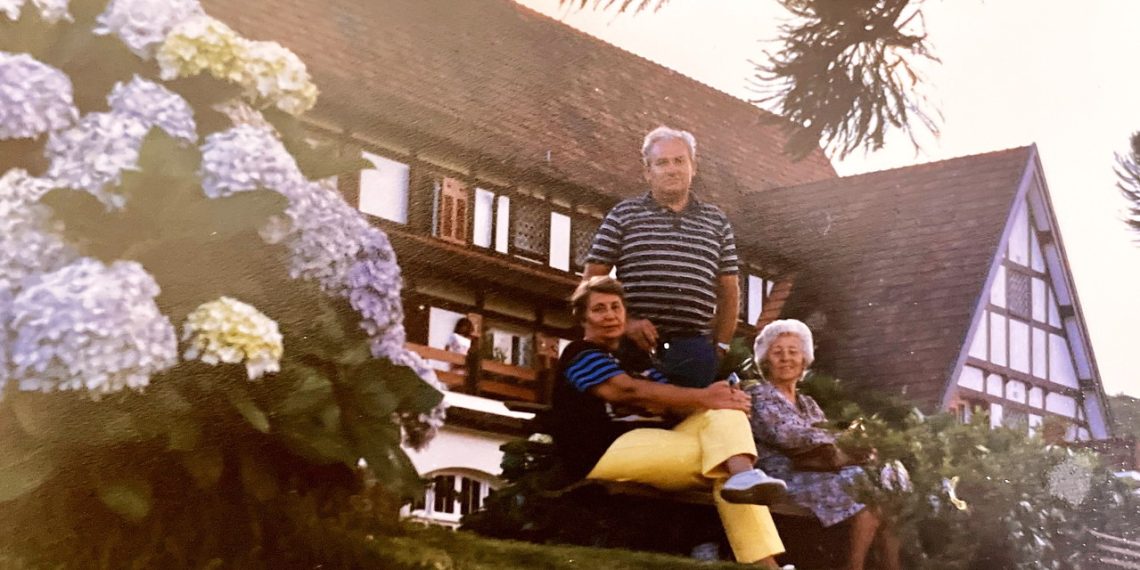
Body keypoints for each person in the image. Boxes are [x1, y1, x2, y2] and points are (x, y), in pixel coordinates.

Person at [549, 276, 787, 567]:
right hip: (604, 450)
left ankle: (744, 479)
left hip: (652, 443)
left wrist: (728, 399)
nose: (610, 315)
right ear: (583, 317)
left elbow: (677, 407)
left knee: (724, 413)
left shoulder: (637, 361)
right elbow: (626, 391)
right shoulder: (580, 353)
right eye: (599, 309)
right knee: (722, 455)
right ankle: (766, 563)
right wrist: (705, 397)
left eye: (616, 307)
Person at [582, 126, 739, 388]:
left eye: (679, 161)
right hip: (631, 343)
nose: (672, 169)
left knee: (689, 413)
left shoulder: (717, 221)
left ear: (693, 167)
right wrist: (626, 325)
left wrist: (721, 346)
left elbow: (730, 291)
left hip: (693, 350)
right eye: (662, 163)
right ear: (648, 172)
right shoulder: (623, 215)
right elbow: (590, 283)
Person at [748, 319, 901, 570]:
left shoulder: (808, 403)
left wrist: (856, 445)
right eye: (777, 353)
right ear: (766, 360)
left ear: (804, 360)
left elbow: (825, 437)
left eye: (793, 352)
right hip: (783, 474)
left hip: (816, 470)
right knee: (863, 486)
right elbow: (789, 436)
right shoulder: (760, 395)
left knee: (888, 479)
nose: (786, 358)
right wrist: (847, 443)